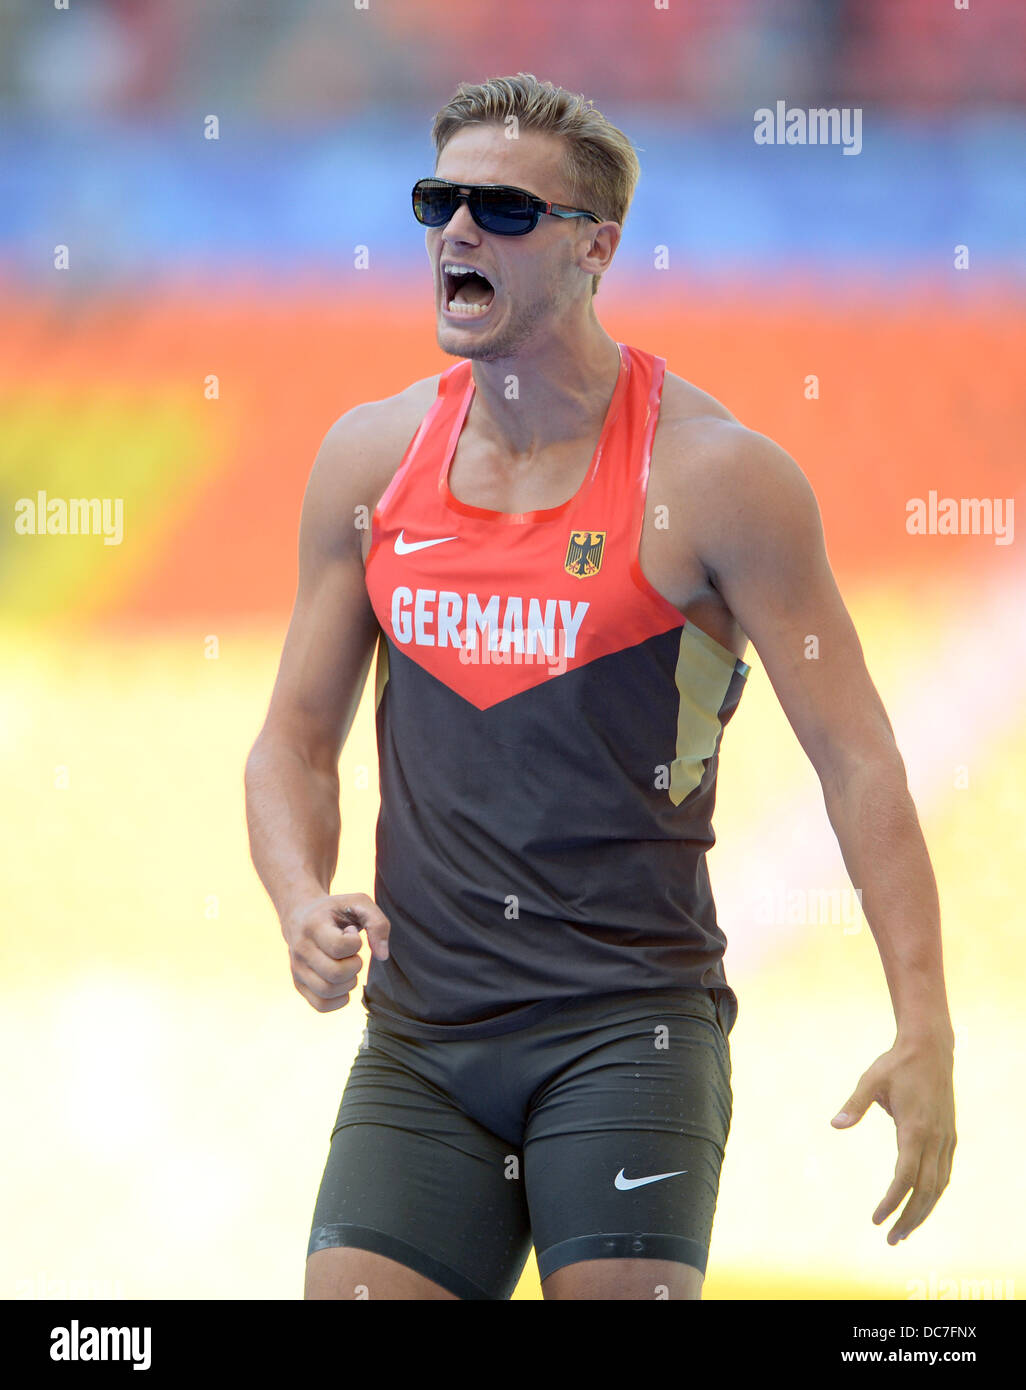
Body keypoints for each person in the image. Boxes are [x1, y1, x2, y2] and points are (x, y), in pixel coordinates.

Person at [244, 73, 956, 1301]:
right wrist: (298, 897)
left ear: (596, 248)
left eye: (504, 212)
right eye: (439, 202)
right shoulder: (369, 459)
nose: (459, 232)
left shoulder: (723, 481)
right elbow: (294, 743)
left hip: (631, 1034)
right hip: (420, 1044)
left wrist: (925, 1024)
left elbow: (859, 758)